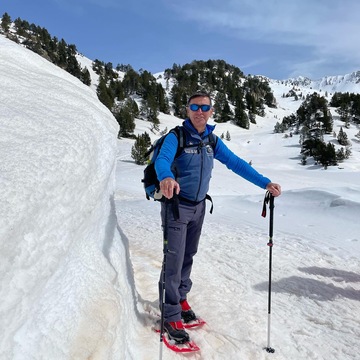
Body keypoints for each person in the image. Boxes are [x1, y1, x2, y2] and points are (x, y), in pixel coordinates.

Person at [154, 91, 281, 343]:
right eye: (194, 107)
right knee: (174, 259)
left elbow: (236, 163)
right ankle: (169, 316)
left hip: (199, 207)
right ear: (187, 110)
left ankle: (180, 299)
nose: (199, 111)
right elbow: (162, 161)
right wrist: (166, 177)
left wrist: (265, 183)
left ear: (212, 111)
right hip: (176, 207)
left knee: (188, 256)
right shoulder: (175, 137)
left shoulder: (211, 141)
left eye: (204, 107)